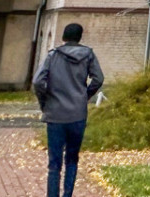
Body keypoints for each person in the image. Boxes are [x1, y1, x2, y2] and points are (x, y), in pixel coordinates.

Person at [34, 22, 104, 197]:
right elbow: (98, 79)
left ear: (64, 36)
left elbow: (38, 82)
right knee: (72, 160)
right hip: (77, 114)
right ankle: (67, 194)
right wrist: (85, 96)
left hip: (55, 113)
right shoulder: (88, 55)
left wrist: (45, 101)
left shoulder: (53, 56)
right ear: (80, 37)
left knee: (54, 164)